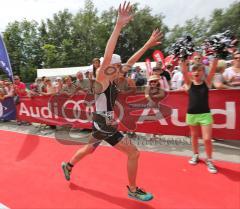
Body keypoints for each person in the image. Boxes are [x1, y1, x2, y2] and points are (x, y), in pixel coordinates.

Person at [61, 2, 162, 201]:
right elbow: (107, 57)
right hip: (103, 123)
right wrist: (118, 26)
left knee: (89, 149)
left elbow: (131, 61)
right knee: (134, 153)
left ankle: (68, 165)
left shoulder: (115, 76)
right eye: (117, 65)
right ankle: (132, 190)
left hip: (102, 122)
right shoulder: (103, 77)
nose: (122, 67)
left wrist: (147, 45)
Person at [181, 58, 218, 174]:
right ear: (192, 72)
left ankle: (209, 160)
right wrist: (182, 58)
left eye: (200, 70)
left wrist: (215, 55)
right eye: (194, 70)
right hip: (191, 115)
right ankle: (195, 155)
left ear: (203, 72)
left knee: (207, 139)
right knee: (194, 137)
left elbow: (213, 69)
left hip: (205, 115)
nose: (197, 72)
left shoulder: (207, 83)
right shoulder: (189, 83)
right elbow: (183, 71)